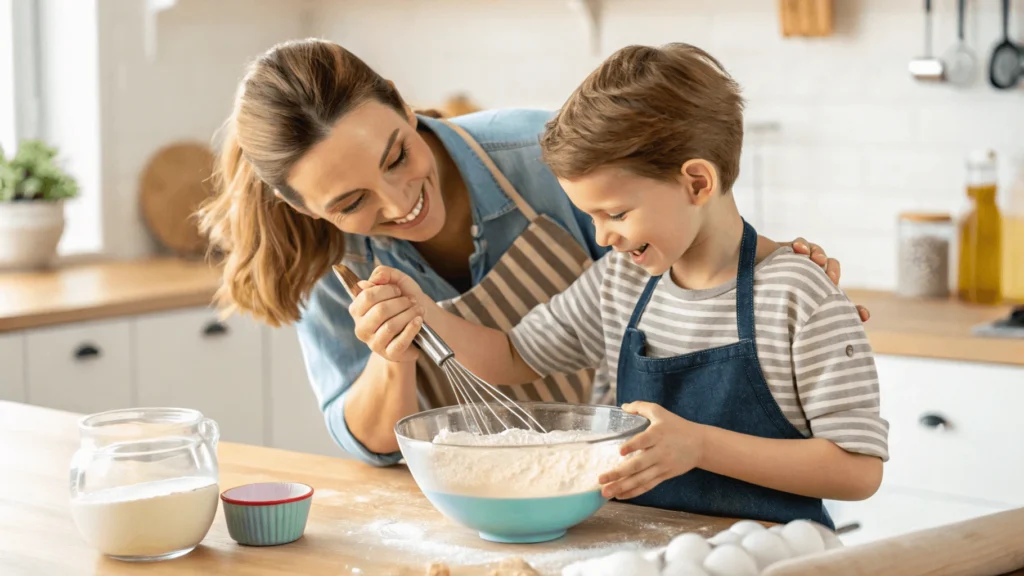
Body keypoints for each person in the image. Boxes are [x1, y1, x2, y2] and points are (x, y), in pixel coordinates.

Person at [197, 38, 870, 470]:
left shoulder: (541, 160)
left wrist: (771, 268)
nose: (400, 201)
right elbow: (505, 358)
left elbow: (686, 236)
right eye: (349, 203)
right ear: (305, 209)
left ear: (404, 108)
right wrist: (397, 348)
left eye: (398, 155)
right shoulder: (325, 258)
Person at [353, 43, 887, 528]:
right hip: (631, 549)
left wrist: (697, 446)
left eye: (616, 213)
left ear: (697, 182)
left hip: (772, 557)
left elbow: (856, 471)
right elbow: (509, 355)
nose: (602, 236)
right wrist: (423, 310)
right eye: (592, 217)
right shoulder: (620, 282)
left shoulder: (799, 295)